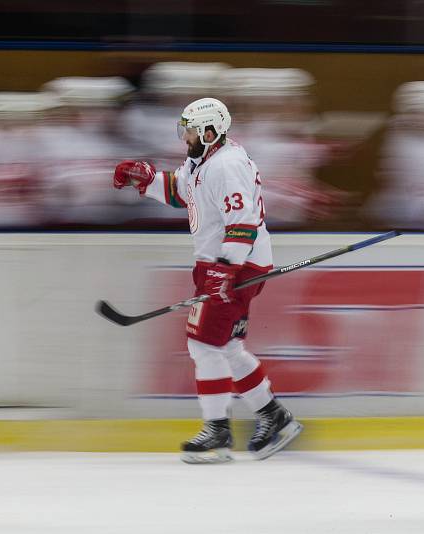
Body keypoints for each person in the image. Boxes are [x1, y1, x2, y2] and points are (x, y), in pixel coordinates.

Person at [112, 97, 302, 464]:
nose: (184, 137)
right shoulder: (204, 161)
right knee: (226, 346)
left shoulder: (226, 166)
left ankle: (218, 432)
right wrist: (147, 178)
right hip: (224, 265)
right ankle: (273, 417)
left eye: (190, 131)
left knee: (204, 345)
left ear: (210, 132)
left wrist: (223, 272)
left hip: (235, 266)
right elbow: (182, 192)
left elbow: (242, 223)